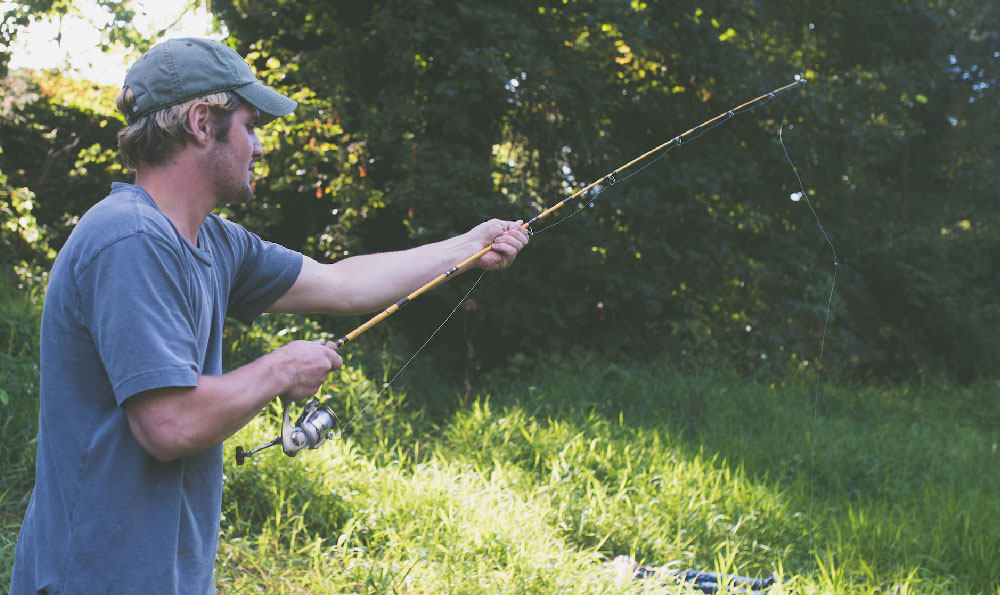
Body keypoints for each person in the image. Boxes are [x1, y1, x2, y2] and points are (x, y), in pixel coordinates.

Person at [9, 37, 528, 594]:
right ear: (202, 122)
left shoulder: (214, 242)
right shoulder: (129, 238)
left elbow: (342, 282)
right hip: (95, 578)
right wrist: (280, 370)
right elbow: (168, 424)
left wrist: (467, 246)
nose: (258, 147)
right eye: (250, 126)